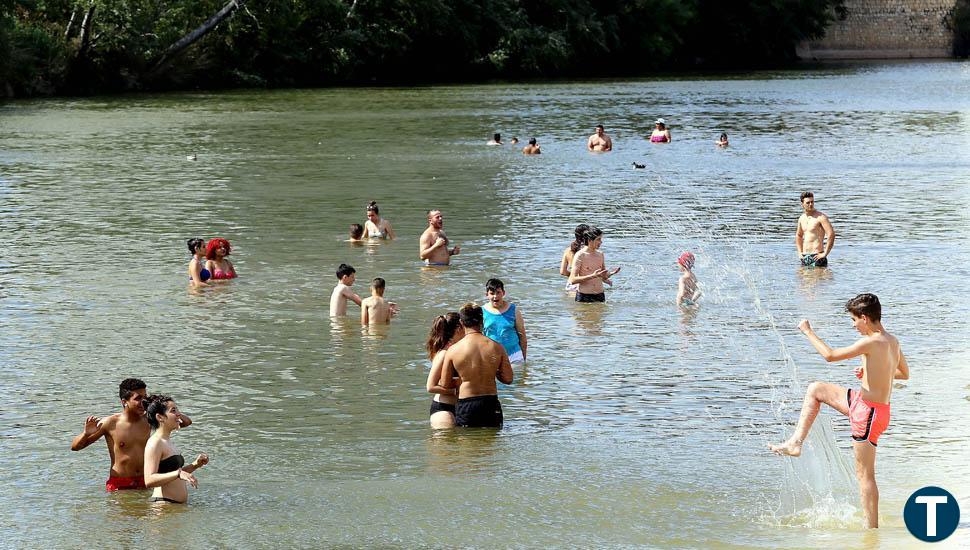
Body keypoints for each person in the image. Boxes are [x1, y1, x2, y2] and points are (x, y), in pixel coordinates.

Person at [770, 294, 909, 529]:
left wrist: (807, 331)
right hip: (870, 407)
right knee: (816, 389)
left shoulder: (870, 342)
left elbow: (830, 356)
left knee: (865, 475)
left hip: (868, 415)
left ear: (864, 318)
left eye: (854, 320)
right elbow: (903, 374)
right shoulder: (892, 341)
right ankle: (795, 442)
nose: (854, 325)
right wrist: (869, 373)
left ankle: (871, 530)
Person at [70, 378, 192, 492]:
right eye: (138, 398)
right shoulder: (110, 423)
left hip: (146, 481)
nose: (142, 402)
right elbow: (75, 447)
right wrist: (86, 434)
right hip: (120, 484)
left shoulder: (149, 419)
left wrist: (161, 407)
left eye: (145, 397)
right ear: (124, 402)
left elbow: (186, 422)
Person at [439, 304, 513, 428]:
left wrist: (464, 380)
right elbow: (508, 379)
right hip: (491, 403)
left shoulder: (453, 350)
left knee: (467, 444)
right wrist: (492, 370)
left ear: (462, 323)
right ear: (482, 321)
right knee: (491, 444)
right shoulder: (496, 347)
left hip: (467, 403)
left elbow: (445, 384)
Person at [143, 395, 209, 504]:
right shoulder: (155, 443)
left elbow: (174, 476)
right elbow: (149, 480)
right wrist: (178, 473)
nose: (179, 414)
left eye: (177, 409)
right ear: (160, 417)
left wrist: (195, 465)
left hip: (174, 507)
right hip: (163, 506)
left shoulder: (167, 441)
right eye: (173, 410)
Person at [425, 312, 465, 429]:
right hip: (443, 408)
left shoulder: (457, 350)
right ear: (458, 328)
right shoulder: (444, 353)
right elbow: (430, 387)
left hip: (460, 407)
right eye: (465, 326)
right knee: (445, 445)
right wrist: (456, 391)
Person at [482, 278, 527, 366]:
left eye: (498, 292)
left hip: (514, 356)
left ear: (503, 293)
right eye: (492, 293)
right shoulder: (482, 311)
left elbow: (522, 336)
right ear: (487, 295)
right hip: (491, 356)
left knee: (516, 379)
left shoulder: (514, 310)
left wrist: (523, 357)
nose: (495, 296)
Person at [568, 226, 620, 302]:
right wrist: (593, 276)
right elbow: (573, 280)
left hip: (600, 295)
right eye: (598, 239)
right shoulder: (580, 255)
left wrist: (611, 273)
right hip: (584, 296)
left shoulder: (600, 254)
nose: (601, 242)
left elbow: (602, 276)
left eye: (601, 239)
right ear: (590, 240)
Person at [795, 191, 836, 267]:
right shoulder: (801, 218)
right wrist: (800, 253)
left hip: (817, 256)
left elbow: (831, 234)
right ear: (802, 204)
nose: (811, 204)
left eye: (812, 202)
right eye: (808, 202)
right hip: (805, 257)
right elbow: (799, 235)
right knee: (802, 278)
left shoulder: (821, 217)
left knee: (818, 278)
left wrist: (825, 253)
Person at [560, 224, 590, 293]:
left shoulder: (568, 250)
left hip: (571, 284)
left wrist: (573, 276)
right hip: (585, 285)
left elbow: (562, 272)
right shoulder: (588, 251)